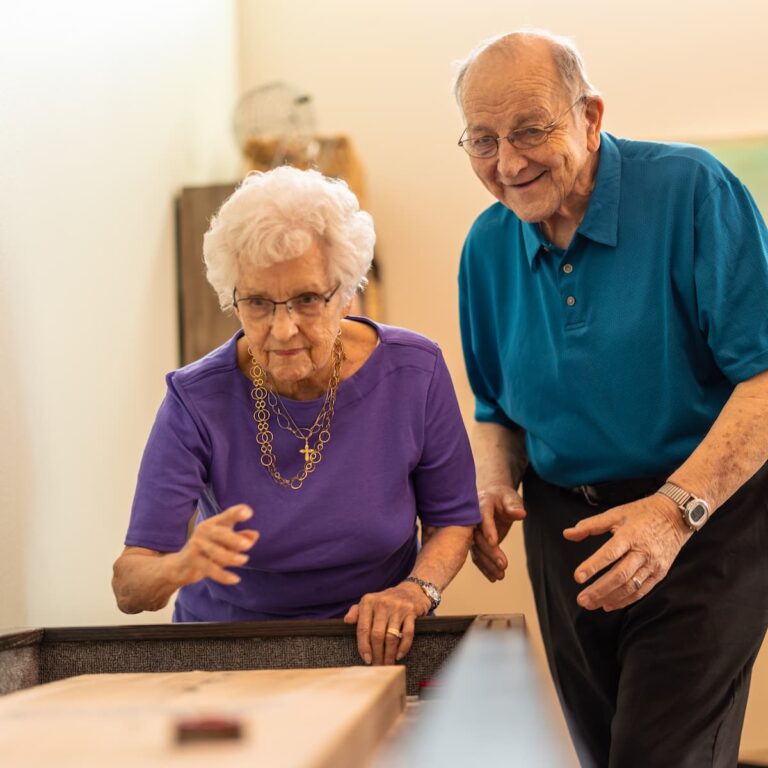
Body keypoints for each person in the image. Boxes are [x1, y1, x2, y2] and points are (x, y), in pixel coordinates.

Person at [454, 29, 768, 768]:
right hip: (566, 531)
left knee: (661, 755)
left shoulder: (693, 191)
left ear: (589, 116)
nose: (509, 162)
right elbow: (498, 410)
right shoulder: (486, 248)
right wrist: (494, 483)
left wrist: (673, 514)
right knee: (605, 755)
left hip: (700, 517)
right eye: (482, 140)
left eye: (531, 130)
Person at [112, 166, 480, 666]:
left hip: (374, 644)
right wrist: (180, 565)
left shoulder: (414, 371)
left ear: (346, 290)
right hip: (228, 655)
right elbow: (131, 584)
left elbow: (453, 520)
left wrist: (416, 590)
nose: (283, 330)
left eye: (307, 300)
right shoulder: (196, 399)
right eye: (259, 303)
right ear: (233, 299)